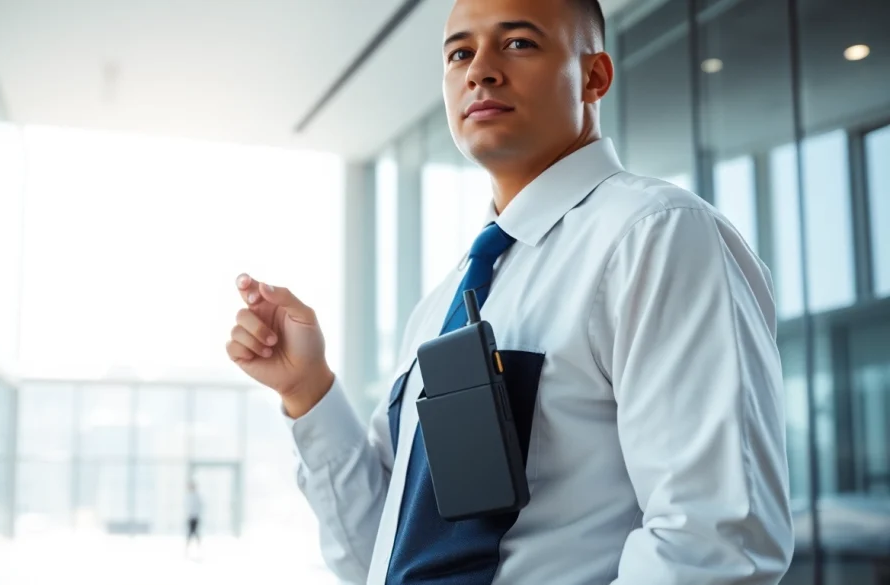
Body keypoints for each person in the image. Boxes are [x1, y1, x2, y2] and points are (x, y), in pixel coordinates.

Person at [226, 0, 794, 582]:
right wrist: (308, 390)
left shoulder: (653, 235)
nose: (480, 71)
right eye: (459, 54)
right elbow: (379, 552)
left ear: (593, 77)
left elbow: (715, 543)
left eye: (518, 43)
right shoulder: (440, 307)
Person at [185, 480, 202, 553]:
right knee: (191, 533)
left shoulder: (196, 496)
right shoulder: (188, 496)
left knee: (194, 532)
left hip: (195, 517)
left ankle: (198, 547)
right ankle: (189, 547)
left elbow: (200, 506)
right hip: (190, 517)